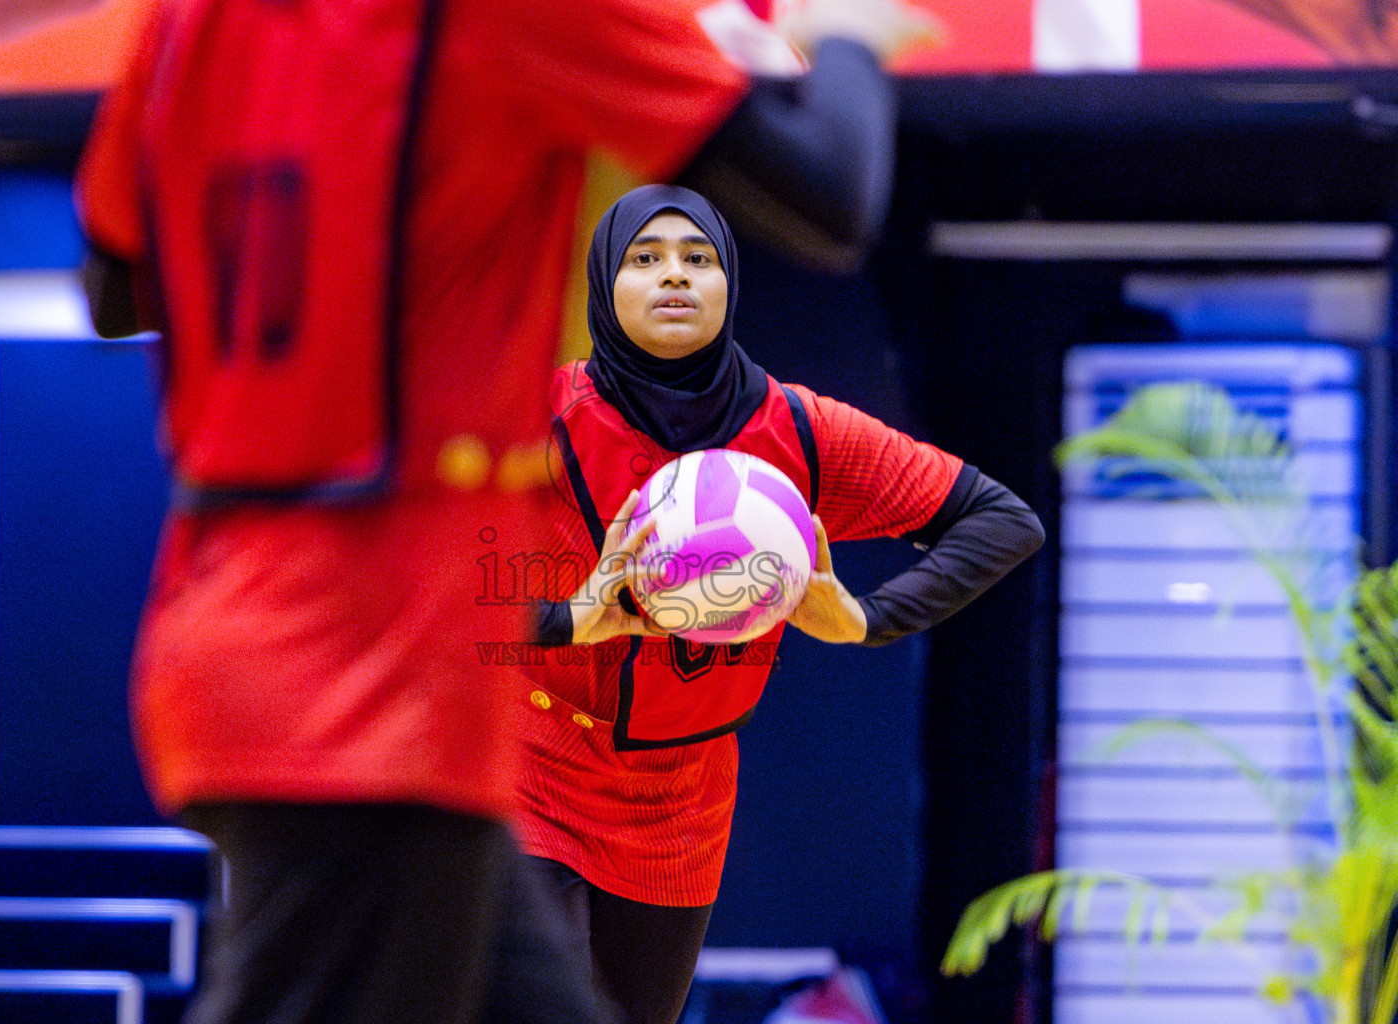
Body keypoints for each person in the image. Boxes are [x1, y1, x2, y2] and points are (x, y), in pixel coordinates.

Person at [58, 1, 950, 1023]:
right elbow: (828, 193)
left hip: (235, 633)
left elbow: (116, 287)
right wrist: (850, 39)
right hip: (370, 678)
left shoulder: (185, 21)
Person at [517, 184, 1045, 1024]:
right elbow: (406, 577)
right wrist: (571, 618)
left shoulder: (795, 430)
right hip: (533, 769)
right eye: (644, 260)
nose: (674, 278)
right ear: (601, 288)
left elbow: (1002, 520)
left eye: (698, 260)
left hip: (682, 800)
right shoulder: (535, 419)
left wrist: (865, 618)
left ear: (730, 283)